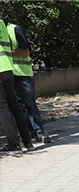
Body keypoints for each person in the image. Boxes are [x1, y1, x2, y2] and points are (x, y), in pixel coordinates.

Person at [5, 15, 49, 143]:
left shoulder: (14, 29)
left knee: (29, 104)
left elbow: (26, 51)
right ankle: (29, 132)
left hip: (22, 74)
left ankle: (39, 131)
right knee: (18, 107)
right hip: (8, 76)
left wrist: (9, 52)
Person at [0, 9, 32, 152]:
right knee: (14, 104)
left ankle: (13, 143)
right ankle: (27, 141)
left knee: (3, 107)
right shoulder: (2, 25)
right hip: (8, 69)